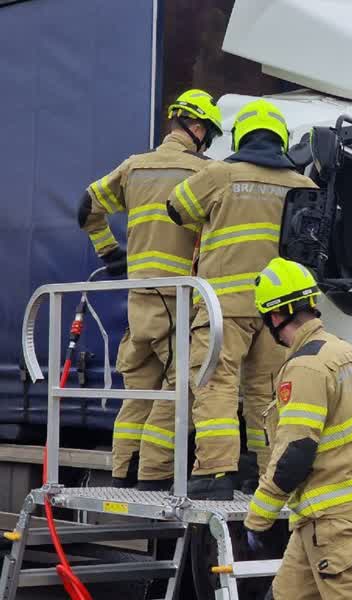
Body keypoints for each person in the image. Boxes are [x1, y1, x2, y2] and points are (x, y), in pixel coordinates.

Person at [166, 99, 318, 500]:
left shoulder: (220, 174)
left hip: (222, 308)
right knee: (267, 393)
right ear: (281, 138)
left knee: (215, 384)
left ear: (241, 135)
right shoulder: (303, 185)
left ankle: (215, 474)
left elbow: (176, 208)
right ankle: (269, 473)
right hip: (278, 311)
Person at [78, 89, 222, 489]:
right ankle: (154, 477)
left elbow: (85, 208)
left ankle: (122, 472)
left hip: (139, 299)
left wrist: (110, 253)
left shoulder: (134, 168)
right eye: (207, 134)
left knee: (138, 393)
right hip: (178, 299)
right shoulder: (203, 174)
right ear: (195, 128)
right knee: (184, 391)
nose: (206, 142)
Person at [244, 257, 352, 600]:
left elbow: (295, 453)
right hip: (322, 522)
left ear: (276, 316)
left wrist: (258, 518)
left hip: (332, 524)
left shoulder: (305, 368)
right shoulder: (350, 355)